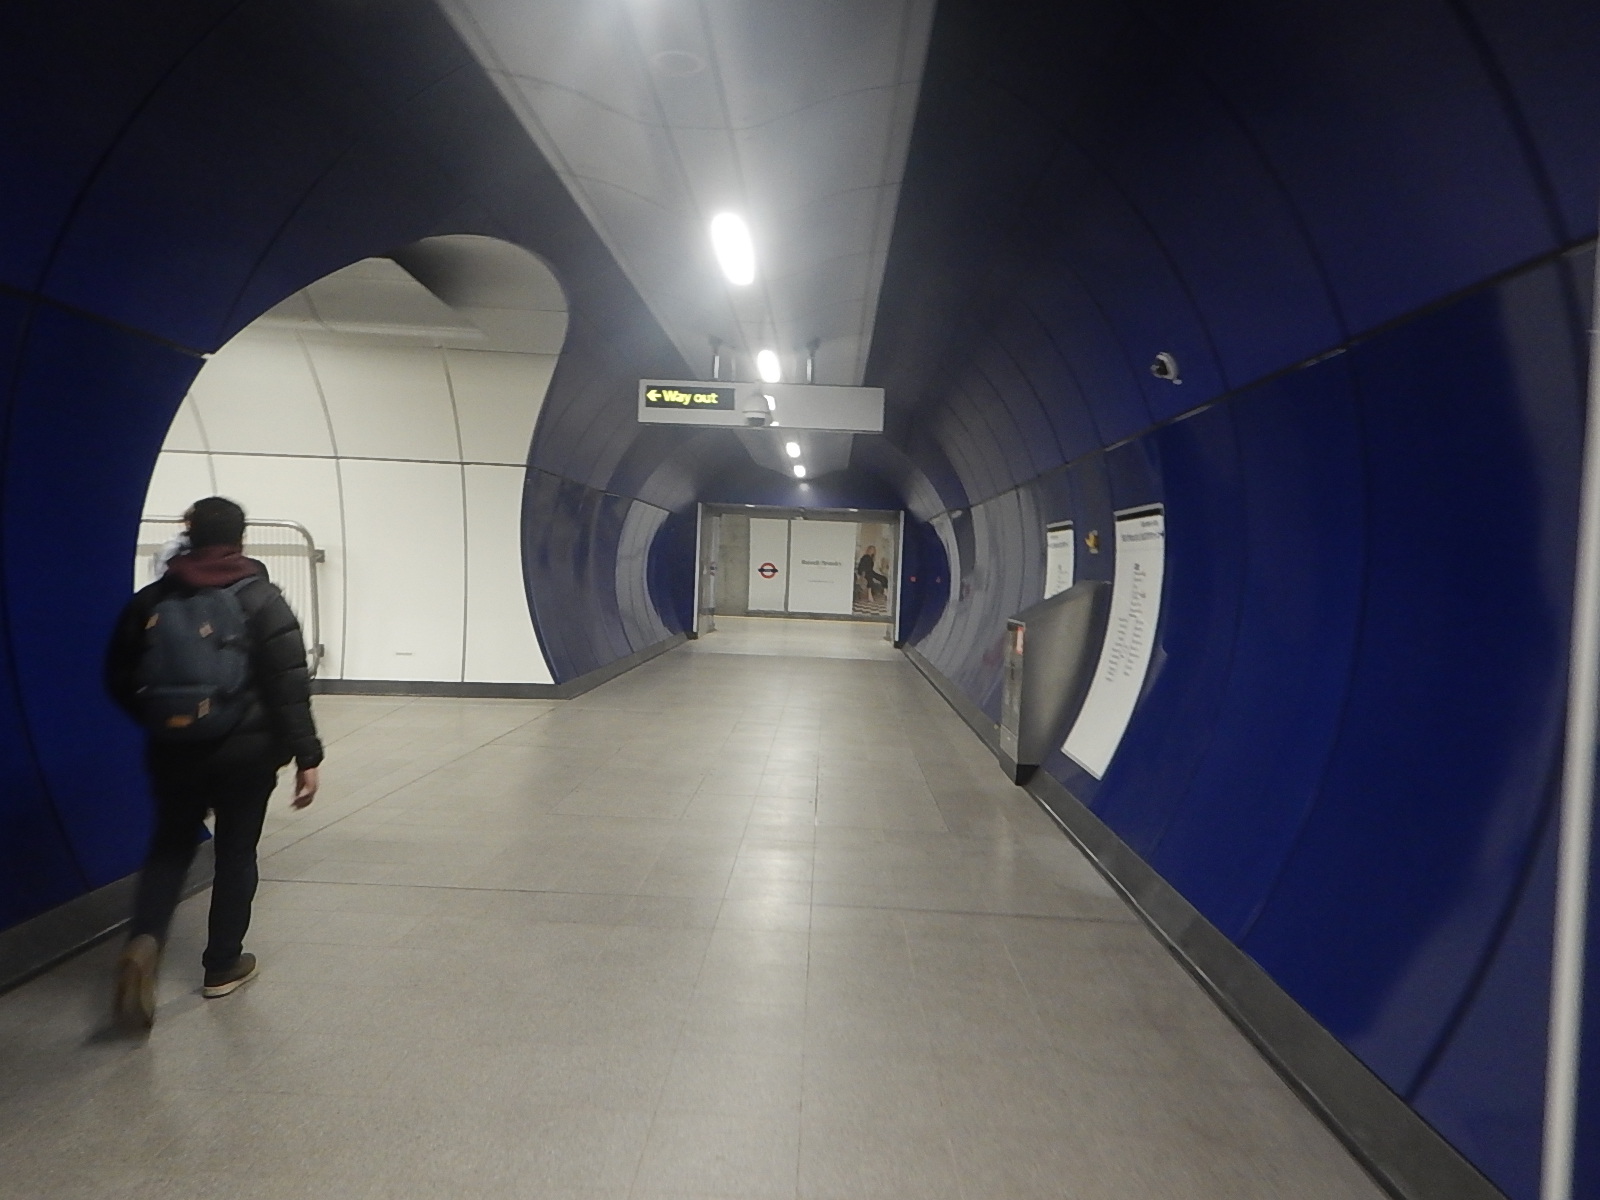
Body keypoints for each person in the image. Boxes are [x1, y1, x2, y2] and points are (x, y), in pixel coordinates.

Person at [104, 496, 322, 1029]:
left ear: (189, 533)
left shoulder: (152, 599)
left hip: (174, 752)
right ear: (240, 538)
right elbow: (288, 684)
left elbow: (117, 677)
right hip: (247, 753)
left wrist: (164, 721)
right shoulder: (261, 597)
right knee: (235, 852)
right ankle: (222, 965)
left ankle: (144, 941)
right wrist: (307, 756)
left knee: (170, 848)